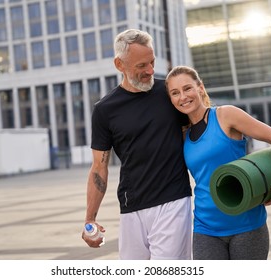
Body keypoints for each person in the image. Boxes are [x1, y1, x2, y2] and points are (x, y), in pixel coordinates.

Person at [82, 29, 192, 260]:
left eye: (152, 62)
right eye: (142, 65)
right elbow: (98, 167)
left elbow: (197, 132)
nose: (150, 71)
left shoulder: (169, 93)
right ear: (119, 64)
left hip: (173, 201)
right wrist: (90, 219)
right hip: (131, 207)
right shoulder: (105, 110)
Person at [165, 66, 271, 260]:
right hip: (205, 228)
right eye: (175, 93)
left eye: (187, 88)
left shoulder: (225, 115)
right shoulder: (183, 135)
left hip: (246, 224)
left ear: (200, 88)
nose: (183, 96)